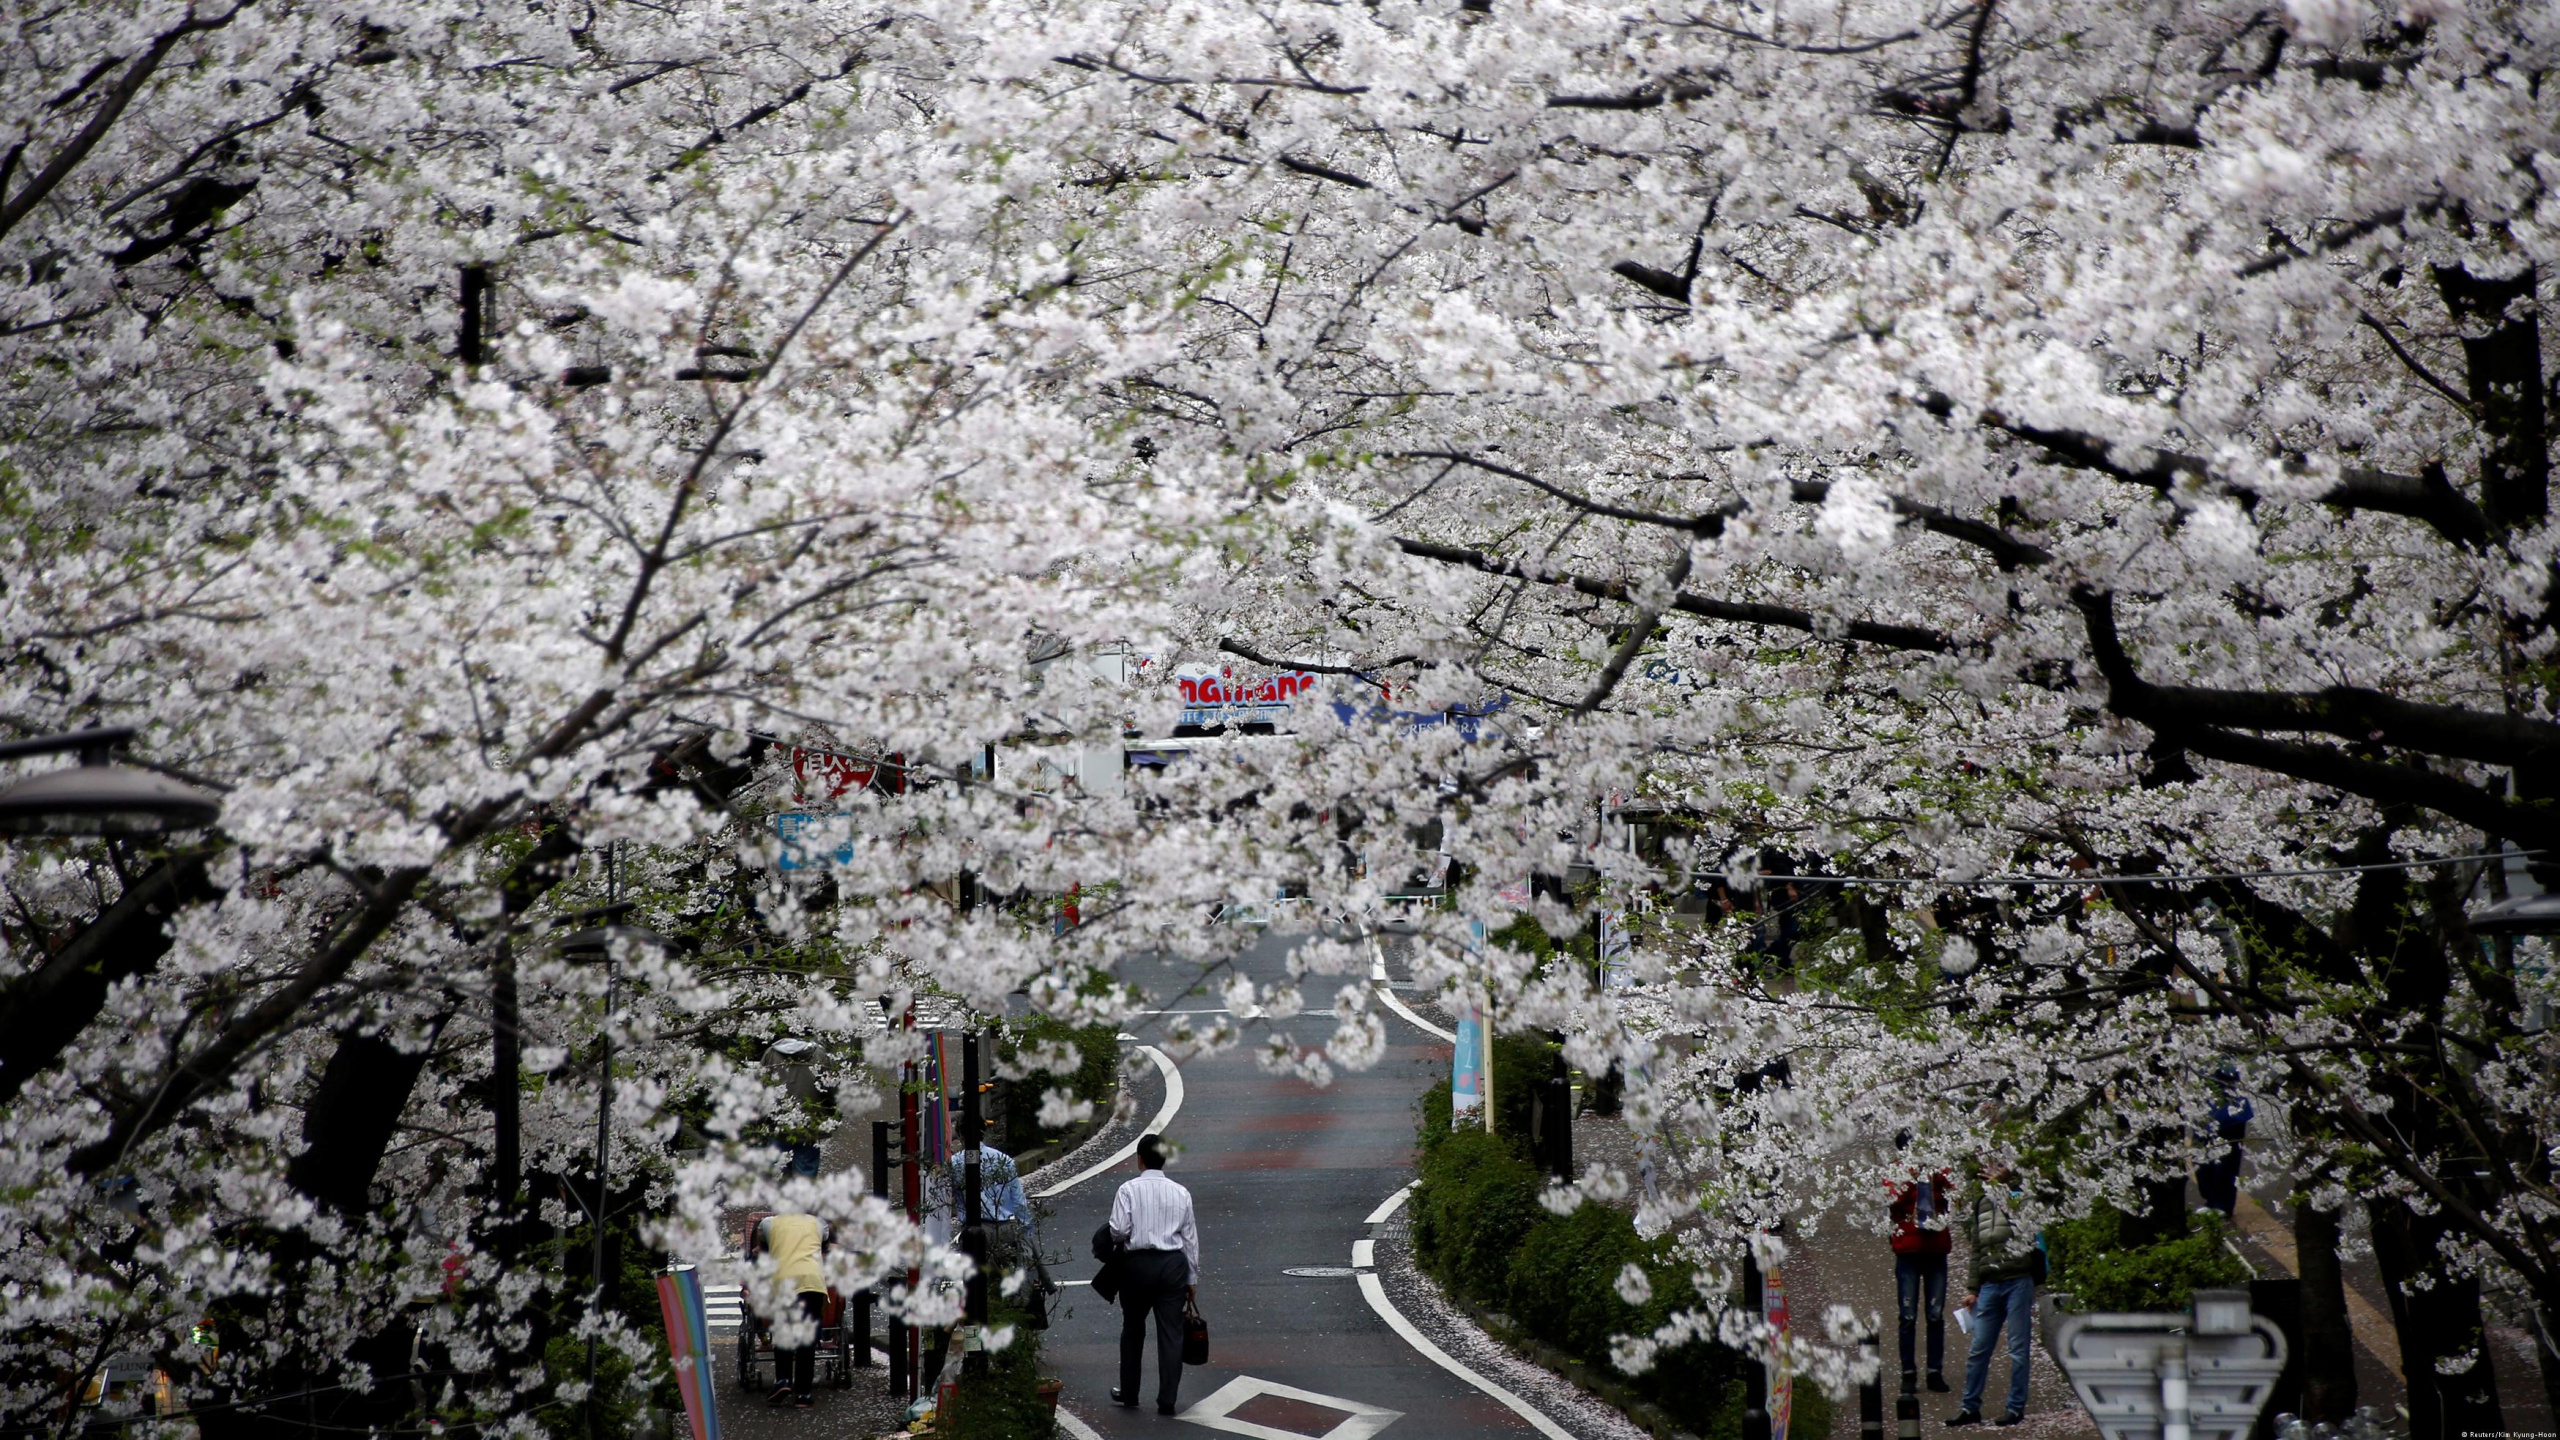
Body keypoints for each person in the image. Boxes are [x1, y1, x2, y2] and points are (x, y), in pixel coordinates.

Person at [1107, 1133, 1198, 1416]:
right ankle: (1167, 1398)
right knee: (1171, 1332)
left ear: (1140, 1160)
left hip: (1136, 1265)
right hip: (1172, 1266)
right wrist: (1191, 1278)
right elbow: (1190, 1239)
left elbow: (1118, 1230)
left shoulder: (1127, 1190)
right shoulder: (1181, 1193)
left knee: (1133, 1329)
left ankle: (1130, 1391)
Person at [1948, 1162, 2039, 1428]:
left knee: (2018, 1349)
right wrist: (1972, 1289)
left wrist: (2005, 1191)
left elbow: (2027, 1228)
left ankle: (2015, 1407)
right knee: (1978, 1349)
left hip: (2018, 1280)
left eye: (1998, 1166)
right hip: (1989, 1283)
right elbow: (1977, 1249)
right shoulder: (1982, 1203)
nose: (1992, 1172)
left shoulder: (2022, 1196)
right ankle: (1970, 1406)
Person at [1886, 1137, 1952, 1394]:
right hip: (1908, 1250)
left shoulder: (1939, 1169)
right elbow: (1891, 1199)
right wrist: (1910, 1178)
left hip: (1935, 1248)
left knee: (1935, 1313)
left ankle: (1934, 1370)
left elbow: (1954, 1193)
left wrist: (1936, 1173)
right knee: (1907, 1314)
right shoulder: (1896, 1172)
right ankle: (1908, 1372)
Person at [748, 1211, 832, 1409]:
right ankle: (803, 1393)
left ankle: (783, 1380)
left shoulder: (768, 1223)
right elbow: (826, 1243)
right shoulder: (818, 1223)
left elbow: (760, 1245)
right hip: (811, 1282)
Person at [2195, 1072, 2254, 1217]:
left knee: (2226, 1162)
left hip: (2230, 1110)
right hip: (2203, 1110)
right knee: (2202, 1160)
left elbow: (2234, 1070)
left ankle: (2223, 1203)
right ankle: (2210, 1200)